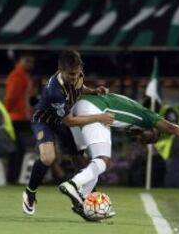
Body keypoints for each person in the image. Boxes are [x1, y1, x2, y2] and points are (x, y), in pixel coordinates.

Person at [58, 93, 179, 220]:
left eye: (145, 141)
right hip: (94, 109)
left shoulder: (129, 117)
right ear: (153, 128)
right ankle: (73, 184)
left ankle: (83, 203)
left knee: (93, 163)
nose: (143, 140)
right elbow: (174, 128)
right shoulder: (148, 117)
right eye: (149, 137)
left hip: (80, 107)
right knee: (103, 161)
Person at [22, 50, 114, 216]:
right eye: (70, 74)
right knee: (48, 157)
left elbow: (79, 88)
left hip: (62, 120)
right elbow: (69, 121)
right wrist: (100, 117)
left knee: (81, 162)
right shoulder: (54, 91)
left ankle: (90, 201)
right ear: (60, 69)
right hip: (45, 121)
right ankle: (30, 193)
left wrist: (93, 91)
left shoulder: (77, 75)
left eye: (77, 73)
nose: (74, 77)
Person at [4, 52, 35, 183]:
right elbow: (10, 97)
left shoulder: (23, 76)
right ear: (22, 61)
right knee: (18, 148)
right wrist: (7, 114)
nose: (31, 65)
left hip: (21, 117)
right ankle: (12, 177)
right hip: (16, 118)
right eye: (29, 61)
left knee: (19, 148)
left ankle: (13, 177)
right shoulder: (18, 76)